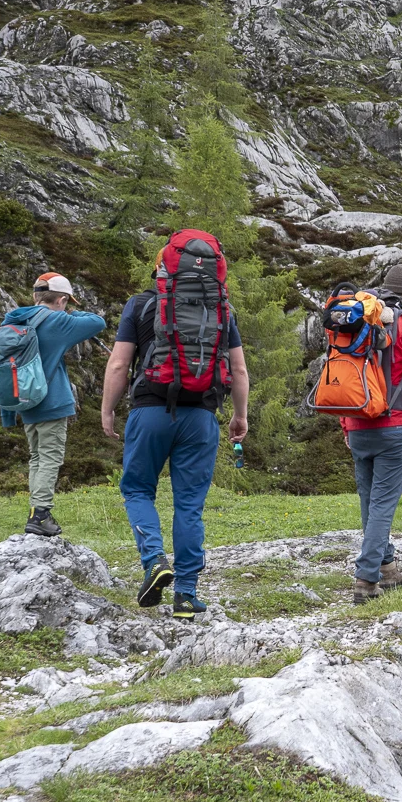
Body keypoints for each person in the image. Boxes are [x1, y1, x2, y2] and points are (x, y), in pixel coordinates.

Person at [99, 253, 249, 619]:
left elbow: (119, 363)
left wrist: (107, 409)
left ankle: (153, 560)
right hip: (201, 416)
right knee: (189, 505)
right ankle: (185, 594)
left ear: (160, 272)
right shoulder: (222, 311)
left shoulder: (140, 305)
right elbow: (239, 369)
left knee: (136, 489)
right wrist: (239, 415)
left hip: (150, 410)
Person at [341, 264, 402, 604]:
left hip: (357, 424)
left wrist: (347, 423)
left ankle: (388, 567)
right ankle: (366, 579)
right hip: (396, 427)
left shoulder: (359, 320)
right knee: (382, 504)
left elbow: (347, 374)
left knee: (370, 502)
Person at [0, 273, 106, 537]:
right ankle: (41, 515)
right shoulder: (58, 320)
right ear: (61, 299)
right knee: (49, 458)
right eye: (67, 302)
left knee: (37, 457)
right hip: (51, 400)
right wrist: (71, 314)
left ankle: (36, 510)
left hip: (25, 400)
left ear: (36, 297)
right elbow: (97, 322)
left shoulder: (18, 319)